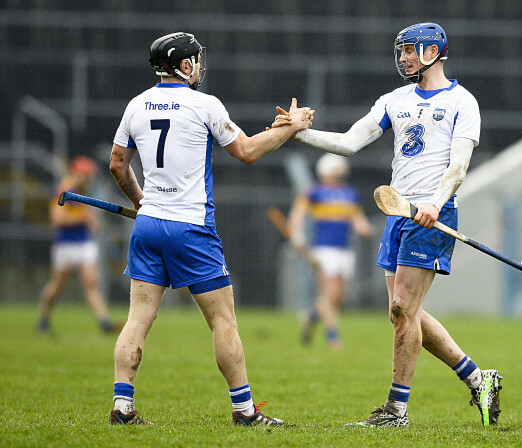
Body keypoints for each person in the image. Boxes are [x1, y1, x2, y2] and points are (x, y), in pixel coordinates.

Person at [273, 23, 502, 427]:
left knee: (401, 309)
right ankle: (478, 378)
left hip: (432, 215)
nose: (403, 58)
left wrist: (435, 202)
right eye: (400, 52)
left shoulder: (463, 102)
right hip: (399, 214)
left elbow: (459, 166)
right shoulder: (394, 100)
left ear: (433, 49)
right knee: (403, 314)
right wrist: (299, 133)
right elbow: (348, 142)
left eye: (410, 51)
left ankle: (396, 411)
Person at [108, 32, 314, 426]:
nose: (199, 66)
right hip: (191, 229)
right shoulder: (204, 104)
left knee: (137, 318)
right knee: (222, 321)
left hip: (149, 225)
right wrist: (293, 126)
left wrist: (140, 201)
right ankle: (245, 411)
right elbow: (248, 151)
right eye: (196, 60)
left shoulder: (135, 105)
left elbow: (118, 163)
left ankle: (123, 407)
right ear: (185, 66)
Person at [288, 153, 373, 350]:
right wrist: (296, 235)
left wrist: (366, 229)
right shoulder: (314, 192)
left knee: (337, 297)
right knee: (329, 293)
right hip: (323, 250)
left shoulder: (349, 193)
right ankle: (333, 338)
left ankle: (310, 316)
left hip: (344, 250)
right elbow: (297, 215)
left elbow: (357, 219)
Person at [37, 155, 121, 335]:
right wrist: (82, 217)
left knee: (92, 283)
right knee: (57, 285)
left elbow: (88, 219)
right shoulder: (63, 190)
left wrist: (92, 223)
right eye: (86, 175)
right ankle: (43, 319)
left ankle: (104, 322)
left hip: (84, 243)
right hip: (66, 245)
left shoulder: (83, 191)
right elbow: (58, 219)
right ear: (76, 173)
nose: (88, 178)